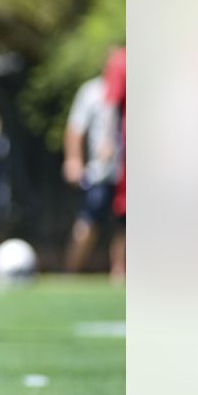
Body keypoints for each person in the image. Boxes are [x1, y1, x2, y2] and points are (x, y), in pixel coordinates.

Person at [62, 73, 122, 276]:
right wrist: (74, 159)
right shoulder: (93, 91)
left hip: (128, 174)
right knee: (89, 220)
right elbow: (75, 128)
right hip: (102, 172)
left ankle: (119, 273)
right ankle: (70, 272)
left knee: (125, 225)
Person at [100, 46, 126, 280]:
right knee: (124, 209)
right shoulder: (121, 61)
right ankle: (119, 269)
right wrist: (108, 139)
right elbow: (111, 106)